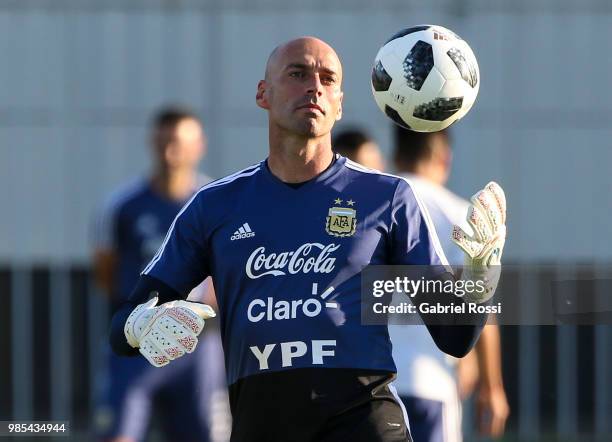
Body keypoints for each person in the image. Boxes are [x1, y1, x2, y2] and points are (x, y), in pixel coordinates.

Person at [109, 37, 506, 442]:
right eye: (297, 74)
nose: (314, 86)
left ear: (339, 103)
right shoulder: (214, 205)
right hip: (261, 424)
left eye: (327, 78)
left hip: (364, 423)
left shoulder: (387, 197)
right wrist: (139, 325)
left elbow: (455, 336)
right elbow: (122, 324)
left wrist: (481, 276)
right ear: (264, 93)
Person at [92, 107, 230, 442]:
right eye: (164, 142)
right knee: (119, 434)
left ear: (199, 146)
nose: (171, 152)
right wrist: (140, 312)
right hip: (135, 345)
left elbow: (228, 271)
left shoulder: (216, 202)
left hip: (197, 348)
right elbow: (105, 270)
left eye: (180, 143)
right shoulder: (123, 205)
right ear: (152, 143)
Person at [390, 128, 510, 441]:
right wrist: (492, 385)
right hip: (432, 382)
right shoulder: (459, 216)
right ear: (445, 158)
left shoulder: (378, 208)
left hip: (375, 388)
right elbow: (478, 303)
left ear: (395, 155)